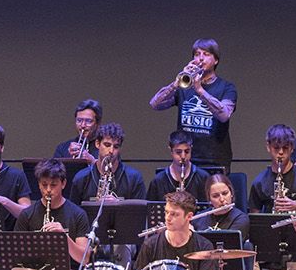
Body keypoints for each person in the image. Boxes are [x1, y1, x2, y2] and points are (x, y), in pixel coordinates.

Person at [148, 38, 237, 168]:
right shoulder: (185, 87)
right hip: (187, 159)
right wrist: (176, 84)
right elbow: (155, 104)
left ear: (216, 60)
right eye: (197, 54)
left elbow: (224, 115)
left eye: (206, 54)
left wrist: (200, 90)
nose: (200, 59)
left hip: (215, 161)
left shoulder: (227, 88)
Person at [248, 124, 296, 214]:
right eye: (276, 148)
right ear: (268, 147)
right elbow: (254, 219)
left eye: (285, 148)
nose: (281, 152)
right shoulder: (259, 182)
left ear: (292, 148)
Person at [68, 122, 144, 204]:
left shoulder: (134, 178)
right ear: (97, 144)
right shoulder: (81, 178)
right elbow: (74, 214)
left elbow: (141, 212)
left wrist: (119, 204)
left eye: (116, 147)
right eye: (107, 145)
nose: (111, 151)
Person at [146, 130, 213, 203]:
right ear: (171, 150)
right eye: (178, 152)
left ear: (191, 148)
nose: (183, 156)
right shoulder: (158, 181)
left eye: (187, 151)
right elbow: (149, 210)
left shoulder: (203, 177)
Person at [49, 98, 101, 164]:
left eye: (88, 121)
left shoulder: (106, 148)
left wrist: (93, 161)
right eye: (79, 120)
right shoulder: (62, 148)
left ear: (98, 123)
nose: (83, 125)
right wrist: (69, 158)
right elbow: (54, 173)